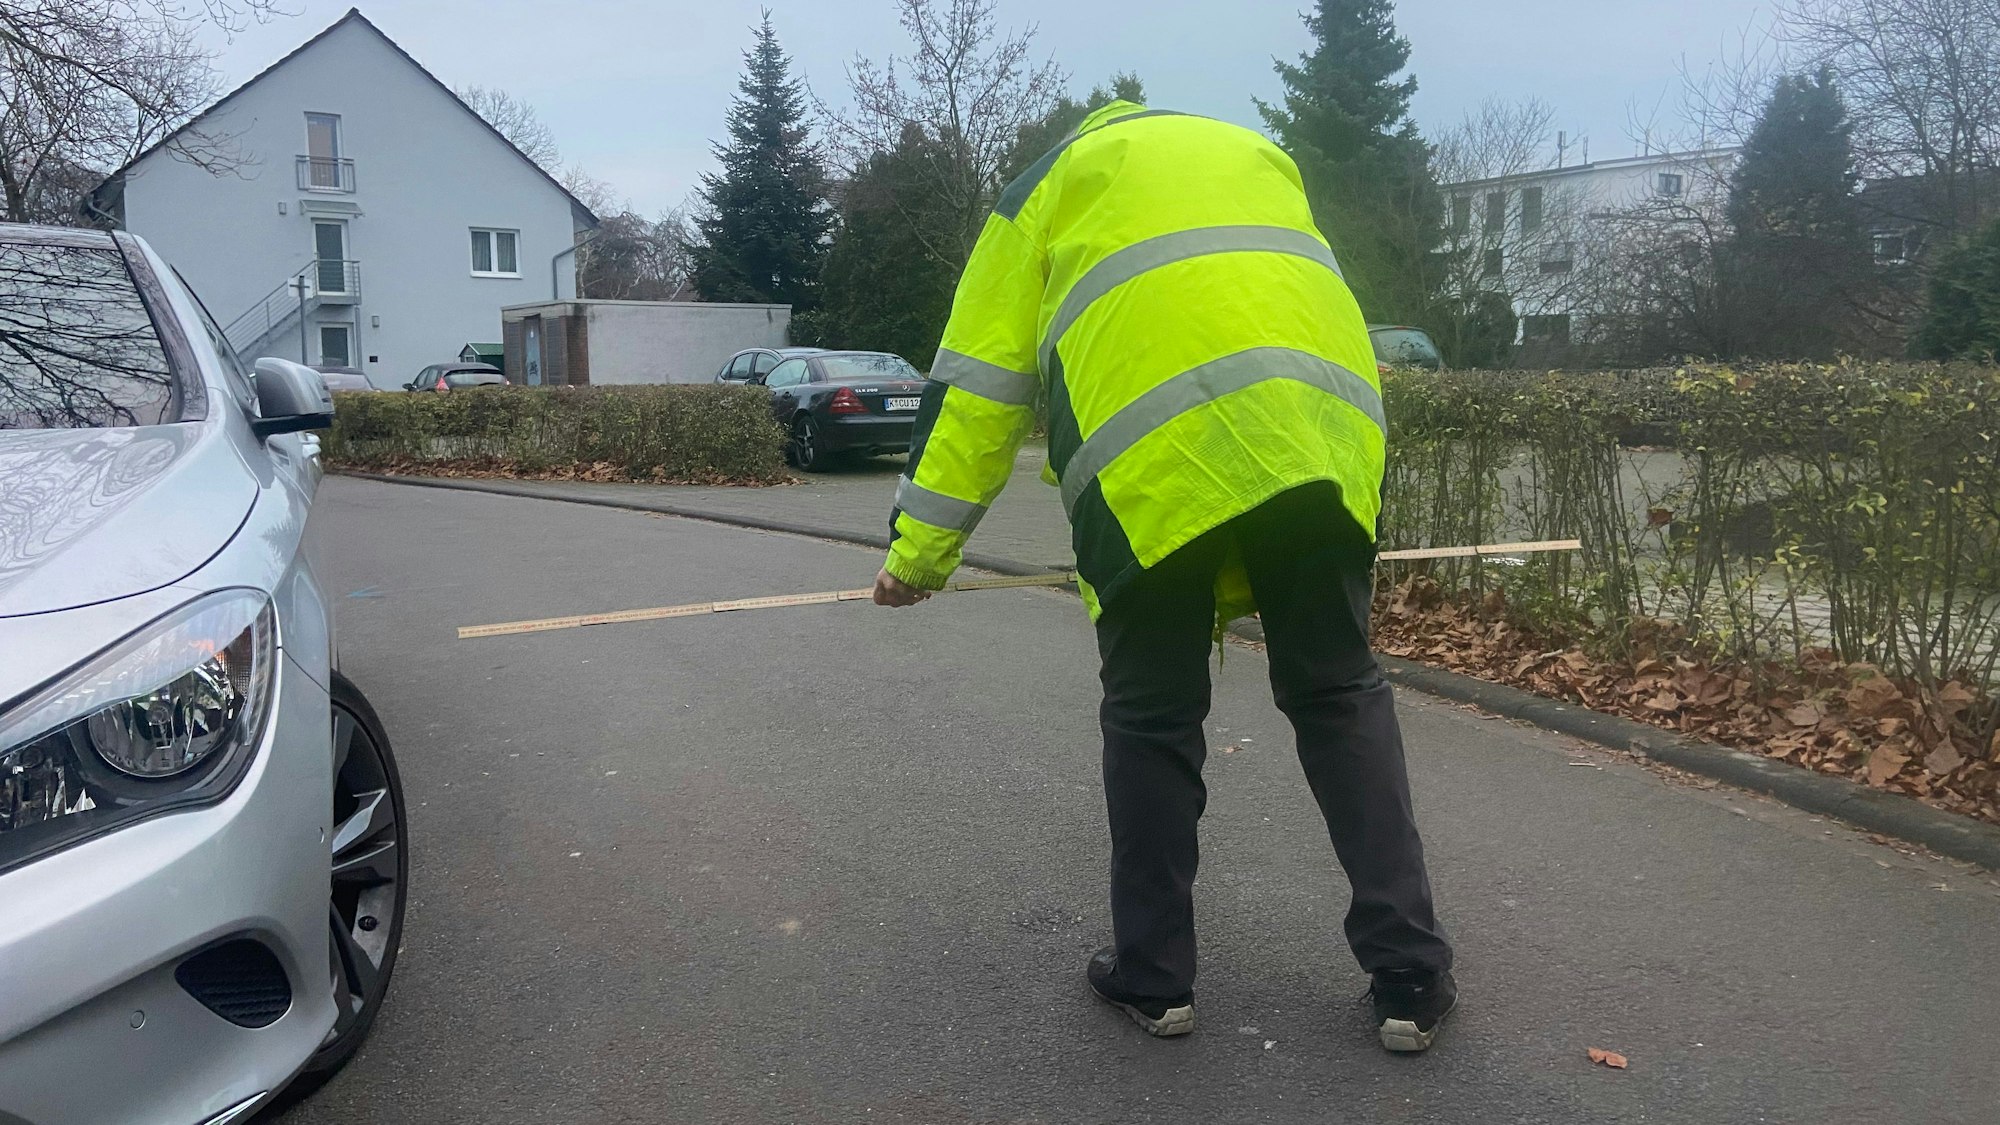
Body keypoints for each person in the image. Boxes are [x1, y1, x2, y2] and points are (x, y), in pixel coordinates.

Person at [869, 100, 1455, 1052]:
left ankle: (1154, 978)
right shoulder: (1258, 153)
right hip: (1319, 435)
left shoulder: (1044, 189)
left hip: (1151, 459)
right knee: (1341, 691)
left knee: (1152, 715)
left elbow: (980, 385)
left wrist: (918, 555)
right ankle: (1410, 975)